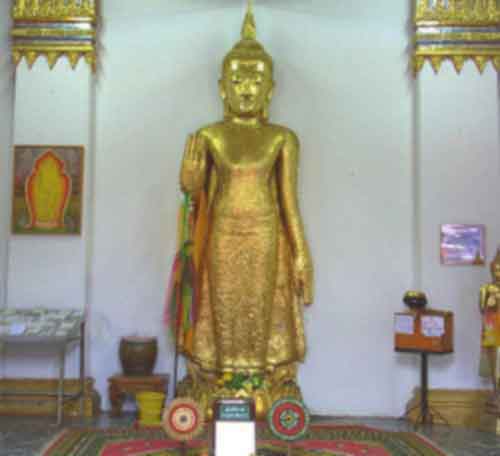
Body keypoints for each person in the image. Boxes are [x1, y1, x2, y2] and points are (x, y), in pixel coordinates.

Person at [175, 2, 313, 416]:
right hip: (222, 234)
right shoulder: (209, 136)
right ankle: (218, 379)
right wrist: (189, 184)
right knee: (221, 307)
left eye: (257, 80)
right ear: (223, 88)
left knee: (259, 309)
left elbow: (289, 201)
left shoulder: (283, 138)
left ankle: (259, 381)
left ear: (270, 89)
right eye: (238, 80)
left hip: (265, 234)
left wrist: (302, 254)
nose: (247, 89)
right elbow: (197, 200)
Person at [479, 249, 500, 410]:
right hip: (492, 330)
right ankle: (496, 393)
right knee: (494, 362)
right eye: (495, 268)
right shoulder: (485, 289)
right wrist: (491, 302)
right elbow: (481, 309)